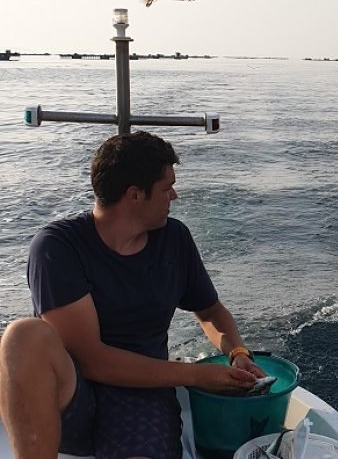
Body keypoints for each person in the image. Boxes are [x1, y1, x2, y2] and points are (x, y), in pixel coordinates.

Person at [0, 131, 266, 458]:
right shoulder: (58, 246)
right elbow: (91, 360)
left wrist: (237, 351)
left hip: (143, 393)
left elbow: (210, 312)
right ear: (135, 195)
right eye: (167, 188)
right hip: (74, 395)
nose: (175, 196)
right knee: (22, 335)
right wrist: (198, 375)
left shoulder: (174, 239)